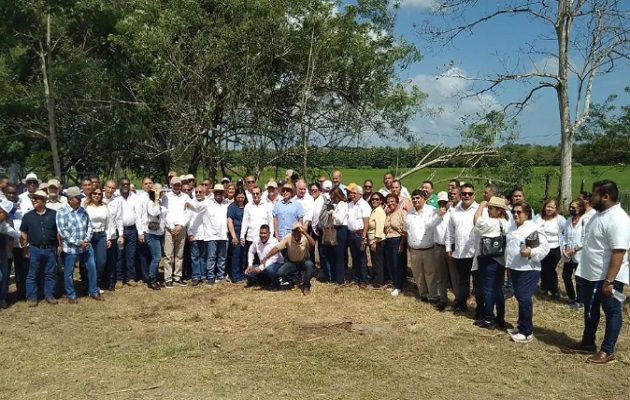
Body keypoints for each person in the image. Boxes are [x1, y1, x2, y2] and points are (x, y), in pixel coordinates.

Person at [574, 180, 630, 364]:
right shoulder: (599, 215)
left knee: (612, 311)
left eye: (594, 194)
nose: (591, 198)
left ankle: (608, 351)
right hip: (591, 273)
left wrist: (609, 281)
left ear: (606, 197)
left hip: (607, 277)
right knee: (590, 309)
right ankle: (588, 342)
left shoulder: (618, 219)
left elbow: (618, 252)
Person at [505, 202, 549, 343]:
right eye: (514, 212)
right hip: (515, 268)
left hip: (528, 269)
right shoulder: (513, 226)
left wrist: (531, 252)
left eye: (519, 212)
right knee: (519, 297)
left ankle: (526, 332)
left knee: (524, 298)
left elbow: (544, 247)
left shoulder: (532, 228)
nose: (516, 214)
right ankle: (521, 325)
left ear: (527, 213)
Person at [56, 187, 104, 303]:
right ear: (70, 199)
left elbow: (89, 226)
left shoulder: (83, 211)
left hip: (86, 247)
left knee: (92, 268)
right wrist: (78, 242)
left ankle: (93, 291)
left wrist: (86, 240)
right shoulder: (62, 212)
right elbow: (63, 232)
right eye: (78, 198)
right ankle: (71, 295)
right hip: (70, 248)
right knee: (69, 272)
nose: (80, 200)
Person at [473, 196, 510, 329]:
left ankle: (488, 319)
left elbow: (476, 221)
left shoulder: (489, 222)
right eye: (489, 208)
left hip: (488, 258)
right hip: (500, 259)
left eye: (492, 208)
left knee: (488, 289)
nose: (489, 210)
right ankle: (500, 317)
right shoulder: (505, 222)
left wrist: (481, 206)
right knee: (498, 289)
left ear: (499, 210)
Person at [20, 189, 60, 307]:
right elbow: (24, 234)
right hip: (34, 248)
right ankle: (32, 297)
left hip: (50, 248)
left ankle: (49, 295)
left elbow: (58, 232)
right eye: (33, 198)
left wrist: (59, 245)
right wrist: (24, 249)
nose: (34, 200)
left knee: (50, 273)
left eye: (37, 198)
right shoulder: (27, 216)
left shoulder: (53, 214)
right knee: (32, 274)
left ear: (44, 201)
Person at [405, 189, 444, 305]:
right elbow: (407, 230)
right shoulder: (409, 213)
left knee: (430, 273)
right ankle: (423, 294)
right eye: (413, 198)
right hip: (414, 250)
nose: (415, 200)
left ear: (424, 199)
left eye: (418, 198)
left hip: (429, 249)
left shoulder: (432, 211)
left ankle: (432, 296)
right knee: (418, 274)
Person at [187, 184, 229, 285]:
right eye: (216, 192)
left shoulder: (227, 204)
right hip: (211, 234)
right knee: (211, 257)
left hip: (223, 234)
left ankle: (221, 275)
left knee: (222, 256)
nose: (218, 194)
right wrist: (189, 205)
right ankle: (210, 276)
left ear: (223, 193)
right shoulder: (208, 203)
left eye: (220, 192)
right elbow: (196, 208)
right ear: (213, 193)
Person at [259, 222, 316, 295]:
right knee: (281, 272)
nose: (295, 233)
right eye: (294, 231)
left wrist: (304, 232)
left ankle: (306, 286)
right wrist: (266, 257)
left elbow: (313, 244)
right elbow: (277, 248)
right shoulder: (288, 237)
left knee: (310, 265)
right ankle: (295, 282)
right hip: (293, 263)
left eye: (298, 230)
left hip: (303, 262)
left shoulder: (305, 237)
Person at [162, 176, 192, 286]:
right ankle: (168, 278)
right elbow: (164, 213)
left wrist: (180, 226)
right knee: (168, 254)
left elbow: (188, 213)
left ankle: (177, 276)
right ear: (170, 185)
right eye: (174, 184)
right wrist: (171, 227)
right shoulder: (166, 197)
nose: (176, 186)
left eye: (178, 184)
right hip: (169, 228)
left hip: (181, 228)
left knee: (179, 254)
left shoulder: (186, 197)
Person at [83, 186, 114, 291]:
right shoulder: (86, 207)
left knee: (101, 261)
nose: (97, 195)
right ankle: (90, 285)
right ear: (91, 194)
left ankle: (96, 284)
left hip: (101, 235)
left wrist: (108, 238)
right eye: (94, 193)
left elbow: (109, 223)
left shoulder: (104, 206)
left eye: (99, 194)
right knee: (91, 262)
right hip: (90, 236)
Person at [116, 177, 144, 287]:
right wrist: (120, 233)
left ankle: (130, 277)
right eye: (123, 184)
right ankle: (119, 278)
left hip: (132, 230)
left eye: (127, 184)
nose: (126, 186)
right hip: (119, 231)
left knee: (130, 255)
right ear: (120, 186)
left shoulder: (135, 198)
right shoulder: (116, 198)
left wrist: (140, 232)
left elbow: (137, 216)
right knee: (119, 255)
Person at [535, 199, 566, 299]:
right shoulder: (538, 217)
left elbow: (565, 233)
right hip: (541, 247)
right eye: (548, 206)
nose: (549, 209)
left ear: (556, 209)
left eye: (552, 207)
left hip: (554, 248)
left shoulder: (560, 219)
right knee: (543, 268)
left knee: (551, 269)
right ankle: (544, 288)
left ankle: (554, 290)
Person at [562, 199, 586, 308]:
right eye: (571, 207)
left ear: (580, 208)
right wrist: (564, 248)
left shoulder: (585, 221)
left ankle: (580, 300)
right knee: (566, 276)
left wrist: (574, 250)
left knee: (579, 279)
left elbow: (585, 239)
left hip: (579, 254)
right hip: (568, 255)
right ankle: (571, 297)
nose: (571, 209)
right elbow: (564, 236)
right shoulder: (568, 221)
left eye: (574, 207)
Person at [322, 186, 348, 284]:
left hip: (341, 229)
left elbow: (340, 219)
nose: (332, 200)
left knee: (339, 255)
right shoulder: (338, 204)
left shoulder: (341, 204)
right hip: (339, 229)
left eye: (333, 198)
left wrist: (333, 213)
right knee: (336, 254)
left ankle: (340, 279)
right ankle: (337, 276)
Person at [347, 185, 371, 288]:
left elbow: (366, 221)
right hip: (351, 233)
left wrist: (364, 237)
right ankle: (356, 277)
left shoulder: (364, 205)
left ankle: (363, 279)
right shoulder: (350, 204)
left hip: (360, 234)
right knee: (354, 257)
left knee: (362, 257)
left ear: (360, 194)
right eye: (351, 193)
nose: (351, 194)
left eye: (354, 193)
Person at [144, 183, 168, 290]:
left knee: (157, 258)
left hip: (159, 233)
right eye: (159, 192)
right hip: (151, 233)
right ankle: (152, 279)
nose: (161, 193)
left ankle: (155, 277)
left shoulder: (160, 203)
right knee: (157, 257)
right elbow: (154, 212)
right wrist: (157, 200)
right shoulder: (150, 203)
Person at [0, 199, 22, 308]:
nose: (8, 218)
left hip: (2, 251)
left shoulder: (3, 224)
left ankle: (2, 298)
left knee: (4, 275)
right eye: (7, 215)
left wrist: (24, 237)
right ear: (1, 212)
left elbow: (14, 233)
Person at [384, 193, 406, 296]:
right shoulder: (388, 213)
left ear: (397, 202)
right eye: (388, 201)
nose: (390, 203)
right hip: (388, 240)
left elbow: (405, 230)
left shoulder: (401, 213)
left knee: (397, 264)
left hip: (397, 239)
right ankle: (395, 283)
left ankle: (399, 286)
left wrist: (402, 243)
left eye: (392, 201)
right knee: (391, 264)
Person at [227, 187, 248, 283]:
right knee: (236, 255)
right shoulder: (232, 207)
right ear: (235, 197)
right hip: (236, 232)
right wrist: (234, 236)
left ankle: (242, 274)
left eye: (242, 197)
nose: (240, 199)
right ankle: (235, 276)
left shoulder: (247, 206)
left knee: (244, 255)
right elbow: (229, 221)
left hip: (246, 233)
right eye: (238, 197)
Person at [188, 186, 208, 286]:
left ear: (205, 193)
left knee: (203, 256)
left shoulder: (208, 203)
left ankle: (203, 275)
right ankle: (196, 276)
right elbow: (188, 219)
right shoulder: (191, 202)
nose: (198, 193)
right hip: (194, 233)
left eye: (200, 192)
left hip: (205, 234)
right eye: (196, 192)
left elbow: (199, 209)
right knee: (194, 256)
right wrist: (189, 233)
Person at [367, 192, 386, 288]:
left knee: (377, 262)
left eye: (377, 199)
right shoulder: (374, 210)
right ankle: (376, 279)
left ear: (381, 201)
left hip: (377, 241)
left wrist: (375, 241)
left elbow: (379, 228)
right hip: (372, 240)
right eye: (373, 199)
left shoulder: (379, 212)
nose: (374, 201)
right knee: (374, 261)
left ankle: (378, 282)